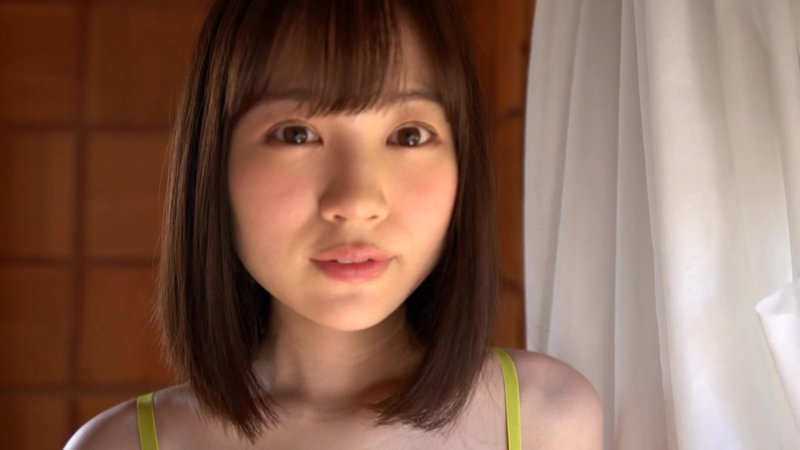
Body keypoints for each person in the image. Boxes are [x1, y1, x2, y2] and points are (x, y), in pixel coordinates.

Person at [65, 0, 602, 448]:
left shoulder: (546, 419)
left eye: (409, 136)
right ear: (214, 167)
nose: (356, 201)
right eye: (296, 134)